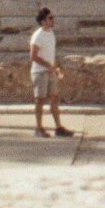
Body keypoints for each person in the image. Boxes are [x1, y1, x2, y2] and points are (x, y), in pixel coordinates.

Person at [28, 8, 68, 138]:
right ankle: (38, 128)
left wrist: (57, 68)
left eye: (52, 17)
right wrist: (48, 66)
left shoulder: (51, 33)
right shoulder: (37, 35)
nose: (53, 20)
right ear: (43, 21)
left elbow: (52, 54)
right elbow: (33, 56)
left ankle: (59, 127)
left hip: (50, 71)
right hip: (39, 72)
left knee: (54, 98)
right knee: (40, 100)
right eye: (50, 18)